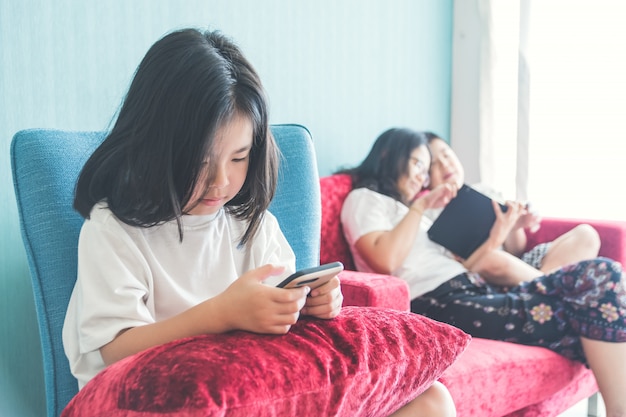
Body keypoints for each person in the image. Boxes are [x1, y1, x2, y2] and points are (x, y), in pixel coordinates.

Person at [61, 29, 453, 417]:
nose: (220, 181)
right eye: (199, 162)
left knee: (433, 399)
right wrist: (221, 314)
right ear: (155, 145)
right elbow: (113, 348)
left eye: (238, 158)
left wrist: (312, 302)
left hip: (250, 391)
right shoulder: (113, 228)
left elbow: (278, 309)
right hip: (152, 400)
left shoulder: (252, 224)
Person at [339, 127, 626, 417]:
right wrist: (421, 205)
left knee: (594, 304)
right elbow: (385, 260)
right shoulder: (365, 199)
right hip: (440, 302)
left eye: (424, 170)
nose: (421, 177)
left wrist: (501, 231)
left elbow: (469, 263)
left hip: (473, 290)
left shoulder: (414, 215)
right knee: (600, 274)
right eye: (418, 164)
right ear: (388, 155)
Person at [424, 131, 601, 279]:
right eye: (433, 164)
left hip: (523, 267)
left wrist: (515, 226)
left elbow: (516, 250)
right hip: (492, 270)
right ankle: (549, 289)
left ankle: (544, 289)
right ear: (425, 177)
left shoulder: (485, 190)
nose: (445, 164)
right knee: (493, 260)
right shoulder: (430, 213)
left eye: (446, 155)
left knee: (587, 234)